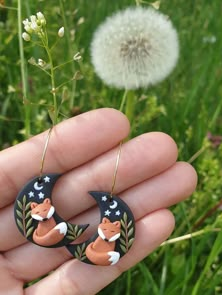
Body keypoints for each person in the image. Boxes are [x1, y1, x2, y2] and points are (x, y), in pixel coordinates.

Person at [0, 108, 197, 294]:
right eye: (40, 210)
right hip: (53, 235)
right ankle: (54, 235)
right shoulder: (36, 208)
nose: (44, 212)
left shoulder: (112, 230)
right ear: (33, 207)